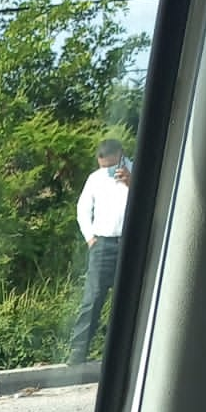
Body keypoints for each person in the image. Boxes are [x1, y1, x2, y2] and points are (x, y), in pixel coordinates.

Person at [69, 137, 131, 365]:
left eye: (112, 166)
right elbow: (83, 208)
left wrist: (131, 182)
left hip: (130, 243)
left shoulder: (139, 173)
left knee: (127, 299)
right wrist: (90, 238)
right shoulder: (95, 179)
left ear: (122, 156)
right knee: (93, 298)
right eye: (104, 167)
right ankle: (77, 353)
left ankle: (121, 352)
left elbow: (155, 202)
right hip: (102, 244)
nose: (109, 171)